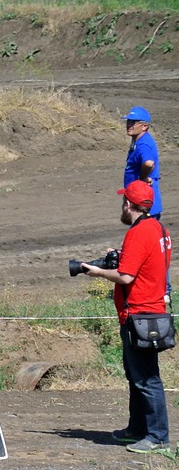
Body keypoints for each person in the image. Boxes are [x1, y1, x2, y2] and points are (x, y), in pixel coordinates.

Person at [82, 180, 172, 453]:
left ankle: (157, 436)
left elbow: (126, 276)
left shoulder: (138, 233)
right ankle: (137, 429)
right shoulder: (158, 229)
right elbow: (144, 265)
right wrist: (120, 256)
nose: (121, 206)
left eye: (123, 201)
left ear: (128, 205)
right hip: (148, 312)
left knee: (146, 378)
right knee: (136, 375)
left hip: (140, 315)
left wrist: (95, 271)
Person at [124, 106, 161, 218]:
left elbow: (149, 163)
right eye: (128, 121)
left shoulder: (143, 144)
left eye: (134, 123)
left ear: (144, 126)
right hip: (139, 200)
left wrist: (142, 179)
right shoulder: (138, 140)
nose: (129, 125)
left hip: (143, 203)